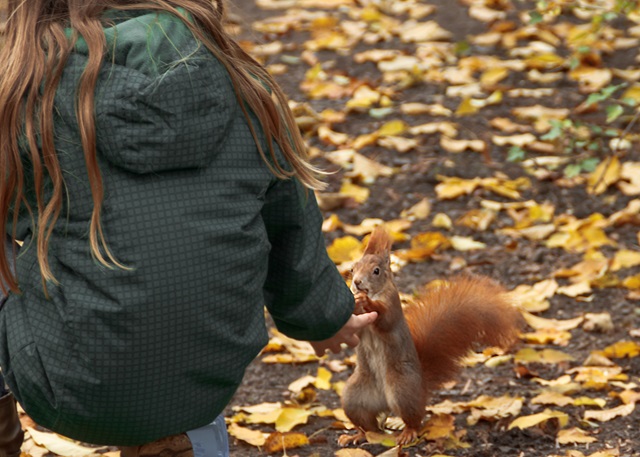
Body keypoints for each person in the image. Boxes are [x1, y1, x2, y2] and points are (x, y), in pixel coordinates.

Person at [0, 1, 377, 455]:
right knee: (192, 246)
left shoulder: (25, 87)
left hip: (64, 387)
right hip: (206, 377)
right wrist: (321, 317)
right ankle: (185, 442)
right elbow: (290, 221)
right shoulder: (233, 77)